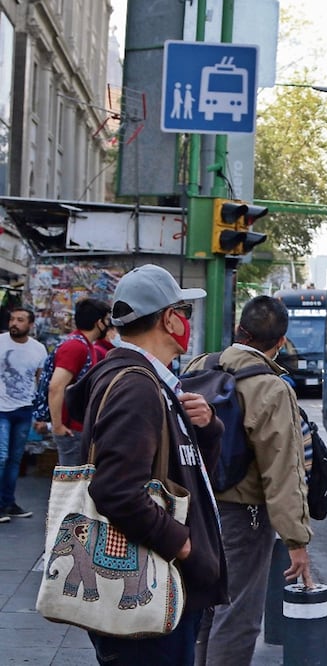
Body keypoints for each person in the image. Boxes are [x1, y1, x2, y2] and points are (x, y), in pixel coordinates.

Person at [64, 264, 226, 665]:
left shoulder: (155, 383)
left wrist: (206, 429)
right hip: (150, 596)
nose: (187, 321)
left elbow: (181, 472)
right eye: (184, 311)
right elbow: (115, 489)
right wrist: (183, 544)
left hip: (160, 594)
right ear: (169, 318)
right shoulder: (137, 387)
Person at [190, 296, 313, 666]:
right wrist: (296, 540)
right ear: (281, 340)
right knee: (237, 612)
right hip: (243, 516)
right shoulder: (273, 388)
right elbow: (283, 470)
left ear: (239, 329)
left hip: (195, 508)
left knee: (200, 609)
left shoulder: (201, 366)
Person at [37, 298, 110, 465]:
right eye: (106, 320)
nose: (108, 324)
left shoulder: (83, 344)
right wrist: (58, 427)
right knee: (70, 486)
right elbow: (56, 387)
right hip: (71, 429)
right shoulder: (76, 347)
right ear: (99, 322)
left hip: (77, 427)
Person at [0, 307, 48, 521]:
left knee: (15, 459)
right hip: (1, 409)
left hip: (24, 409)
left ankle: (8, 503)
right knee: (1, 457)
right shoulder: (1, 342)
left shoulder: (38, 350)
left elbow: (41, 382)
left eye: (20, 320)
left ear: (30, 325)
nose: (14, 323)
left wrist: (40, 413)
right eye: (12, 319)